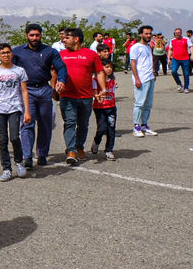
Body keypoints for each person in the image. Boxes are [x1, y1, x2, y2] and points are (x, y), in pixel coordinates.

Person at [12, 24, 67, 168]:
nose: (34, 38)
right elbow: (9, 69)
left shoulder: (50, 51)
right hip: (27, 91)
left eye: (37, 35)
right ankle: (27, 156)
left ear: (41, 35)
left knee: (45, 125)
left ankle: (42, 155)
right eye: (32, 35)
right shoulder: (17, 52)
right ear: (26, 36)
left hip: (44, 90)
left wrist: (61, 80)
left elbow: (61, 67)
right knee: (27, 123)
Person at [59, 28, 106, 164]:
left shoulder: (90, 54)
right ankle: (71, 150)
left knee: (83, 124)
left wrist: (103, 89)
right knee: (70, 123)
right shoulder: (61, 55)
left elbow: (99, 72)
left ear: (76, 38)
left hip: (85, 97)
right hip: (67, 96)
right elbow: (55, 73)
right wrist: (55, 90)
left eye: (67, 37)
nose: (64, 40)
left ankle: (80, 147)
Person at [0, 43, 32, 181]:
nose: (6, 55)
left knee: (14, 137)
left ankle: (19, 162)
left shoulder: (19, 71)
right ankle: (6, 168)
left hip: (14, 107)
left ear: (11, 54)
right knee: (3, 140)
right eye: (3, 53)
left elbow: (24, 91)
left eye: (8, 52)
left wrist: (27, 111)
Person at [130, 25, 158, 137]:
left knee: (148, 104)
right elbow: (133, 63)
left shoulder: (148, 47)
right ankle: (136, 126)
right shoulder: (135, 47)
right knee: (139, 103)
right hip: (141, 79)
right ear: (140, 34)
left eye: (150, 33)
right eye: (146, 33)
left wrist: (154, 72)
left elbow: (149, 61)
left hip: (150, 77)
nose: (148, 35)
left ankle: (144, 125)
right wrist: (137, 78)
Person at [91, 59, 117, 160]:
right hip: (99, 108)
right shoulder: (95, 80)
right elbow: (95, 93)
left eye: (111, 67)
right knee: (102, 128)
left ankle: (109, 150)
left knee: (111, 129)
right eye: (106, 67)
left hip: (111, 108)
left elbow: (113, 93)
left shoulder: (113, 81)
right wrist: (98, 97)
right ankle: (96, 142)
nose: (109, 69)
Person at [167, 28, 193, 93]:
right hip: (175, 59)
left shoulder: (186, 39)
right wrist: (169, 58)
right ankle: (179, 83)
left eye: (179, 33)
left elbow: (191, 47)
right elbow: (170, 49)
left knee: (186, 74)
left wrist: (192, 55)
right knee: (173, 71)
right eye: (176, 33)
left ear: (181, 33)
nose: (177, 34)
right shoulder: (172, 40)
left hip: (185, 59)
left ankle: (186, 87)